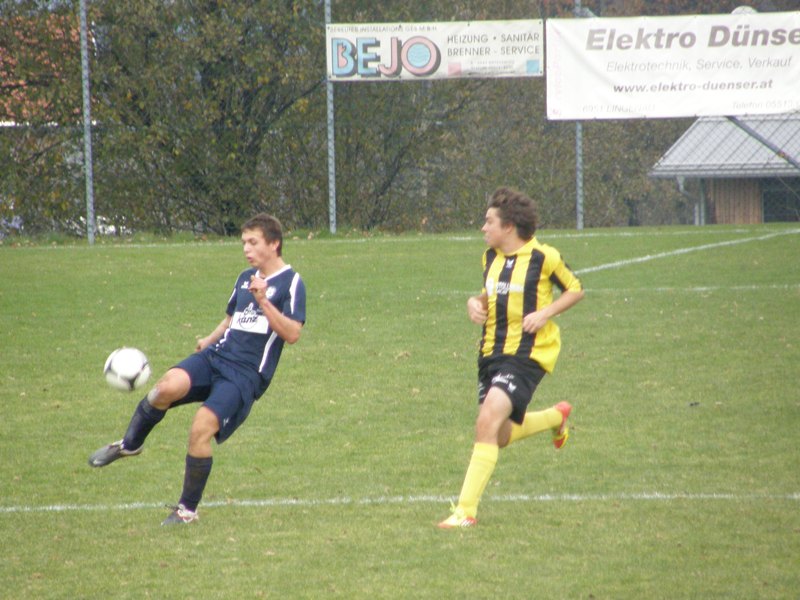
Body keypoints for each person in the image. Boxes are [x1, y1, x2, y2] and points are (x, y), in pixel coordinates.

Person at [89, 213, 306, 526]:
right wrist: (209, 339)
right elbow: (231, 319)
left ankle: (186, 511)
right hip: (216, 357)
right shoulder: (245, 277)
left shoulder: (291, 282)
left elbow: (293, 333)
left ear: (274, 244)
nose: (246, 249)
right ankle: (129, 445)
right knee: (165, 387)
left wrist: (264, 301)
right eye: (244, 242)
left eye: (253, 242)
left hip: (245, 375)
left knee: (200, 428)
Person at [438, 187, 584, 529]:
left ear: (509, 226)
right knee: (499, 435)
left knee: (486, 421)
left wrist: (545, 313)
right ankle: (555, 417)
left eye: (489, 221)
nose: (483, 228)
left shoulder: (544, 257)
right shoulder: (489, 258)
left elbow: (575, 289)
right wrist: (474, 303)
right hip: (491, 352)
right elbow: (489, 296)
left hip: (528, 353)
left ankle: (465, 511)